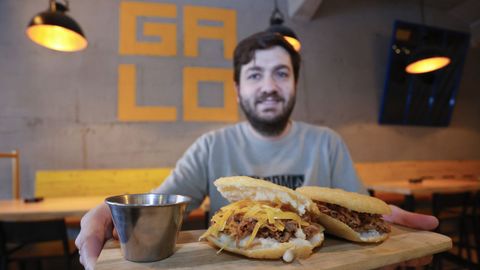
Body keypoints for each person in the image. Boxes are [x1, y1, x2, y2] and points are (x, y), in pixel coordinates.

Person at [75, 32, 438, 269]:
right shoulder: (210, 146)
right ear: (237, 90)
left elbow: (357, 213)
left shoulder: (327, 142)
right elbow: (158, 207)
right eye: (254, 75)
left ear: (295, 83)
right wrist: (109, 213)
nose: (268, 86)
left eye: (281, 73)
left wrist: (391, 243)